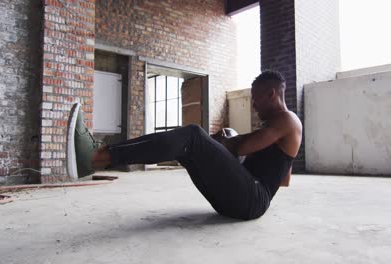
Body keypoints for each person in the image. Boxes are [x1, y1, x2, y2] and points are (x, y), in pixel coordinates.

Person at [66, 70, 302, 220]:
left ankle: (98, 155)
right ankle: (99, 155)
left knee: (192, 136)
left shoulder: (287, 119)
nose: (254, 106)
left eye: (256, 98)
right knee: (189, 145)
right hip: (243, 201)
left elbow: (239, 147)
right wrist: (223, 144)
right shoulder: (284, 127)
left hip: (251, 200)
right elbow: (284, 179)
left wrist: (219, 142)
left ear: (271, 95)